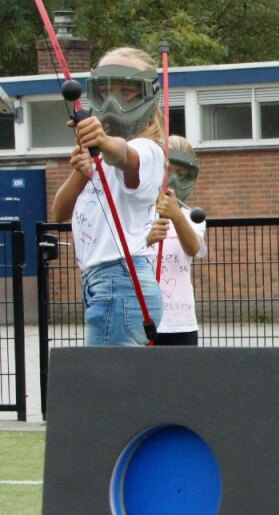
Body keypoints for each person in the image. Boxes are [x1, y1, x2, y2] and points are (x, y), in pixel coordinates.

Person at [52, 47, 164, 346]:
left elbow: (124, 155)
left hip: (120, 281)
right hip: (104, 282)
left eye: (126, 91)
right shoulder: (99, 156)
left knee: (105, 375)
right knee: (115, 375)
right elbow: (59, 213)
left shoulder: (149, 150)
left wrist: (102, 140)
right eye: (105, 91)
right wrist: (82, 167)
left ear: (147, 94)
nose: (113, 102)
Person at [147, 135, 207, 346]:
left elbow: (194, 249)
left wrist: (177, 216)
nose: (173, 180)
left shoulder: (192, 217)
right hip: (144, 317)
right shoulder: (138, 214)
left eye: (181, 174)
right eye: (168, 171)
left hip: (180, 322)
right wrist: (147, 239)